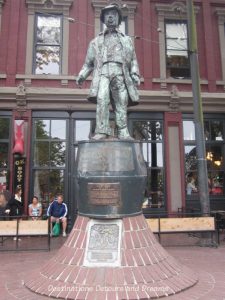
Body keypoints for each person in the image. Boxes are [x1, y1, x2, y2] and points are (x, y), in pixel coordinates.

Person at [76, 3, 140, 140]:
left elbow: (133, 60)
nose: (110, 17)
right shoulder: (95, 41)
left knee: (121, 102)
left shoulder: (127, 40)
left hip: (120, 72)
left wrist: (134, 74)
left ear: (118, 18)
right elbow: (88, 63)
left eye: (114, 14)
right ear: (103, 19)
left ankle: (122, 131)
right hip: (103, 73)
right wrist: (82, 75)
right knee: (102, 99)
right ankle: (102, 130)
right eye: (107, 15)